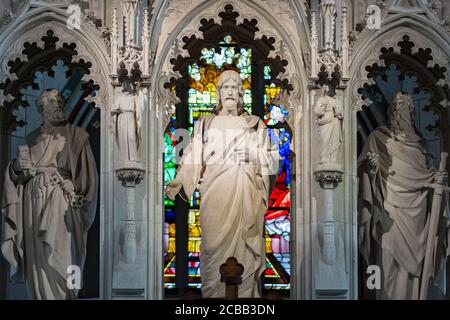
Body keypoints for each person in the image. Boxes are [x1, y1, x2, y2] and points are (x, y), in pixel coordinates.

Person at [165, 70, 279, 298]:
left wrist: (253, 154)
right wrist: (179, 180)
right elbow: (192, 156)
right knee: (211, 250)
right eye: (224, 87)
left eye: (234, 87)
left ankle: (247, 299)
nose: (229, 91)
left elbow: (272, 161)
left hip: (245, 193)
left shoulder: (255, 124)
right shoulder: (205, 123)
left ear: (240, 93)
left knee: (245, 255)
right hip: (215, 193)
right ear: (218, 93)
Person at [1, 89, 97, 299]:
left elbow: (88, 178)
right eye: (53, 102)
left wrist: (75, 188)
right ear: (41, 109)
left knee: (64, 256)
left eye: (60, 101)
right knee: (38, 261)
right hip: (32, 205)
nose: (59, 105)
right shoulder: (30, 139)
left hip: (61, 202)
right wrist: (17, 167)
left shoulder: (77, 136)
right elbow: (14, 176)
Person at [358, 92, 449, 299]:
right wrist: (371, 169)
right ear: (391, 113)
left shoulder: (421, 145)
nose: (401, 112)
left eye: (405, 108)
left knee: (413, 272)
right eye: (397, 108)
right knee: (387, 259)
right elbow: (366, 175)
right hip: (390, 210)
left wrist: (438, 177)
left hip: (417, 216)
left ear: (412, 113)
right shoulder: (378, 139)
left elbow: (430, 173)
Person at [314, 84, 343, 166]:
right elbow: (317, 111)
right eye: (326, 87)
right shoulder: (321, 99)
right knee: (325, 140)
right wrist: (323, 107)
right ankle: (324, 158)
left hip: (335, 122)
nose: (328, 88)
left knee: (334, 141)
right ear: (324, 89)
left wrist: (337, 110)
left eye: (330, 87)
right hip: (325, 122)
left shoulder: (336, 100)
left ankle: (333, 158)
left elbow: (341, 112)